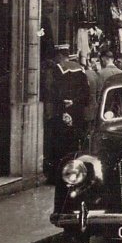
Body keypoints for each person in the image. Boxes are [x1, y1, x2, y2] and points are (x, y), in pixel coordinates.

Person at [44, 45, 91, 183]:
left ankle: (58, 176)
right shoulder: (81, 70)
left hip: (61, 111)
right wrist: (75, 102)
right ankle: (75, 174)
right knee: (75, 144)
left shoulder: (57, 70)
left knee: (59, 145)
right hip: (77, 112)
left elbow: (52, 91)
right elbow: (86, 94)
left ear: (59, 55)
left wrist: (63, 104)